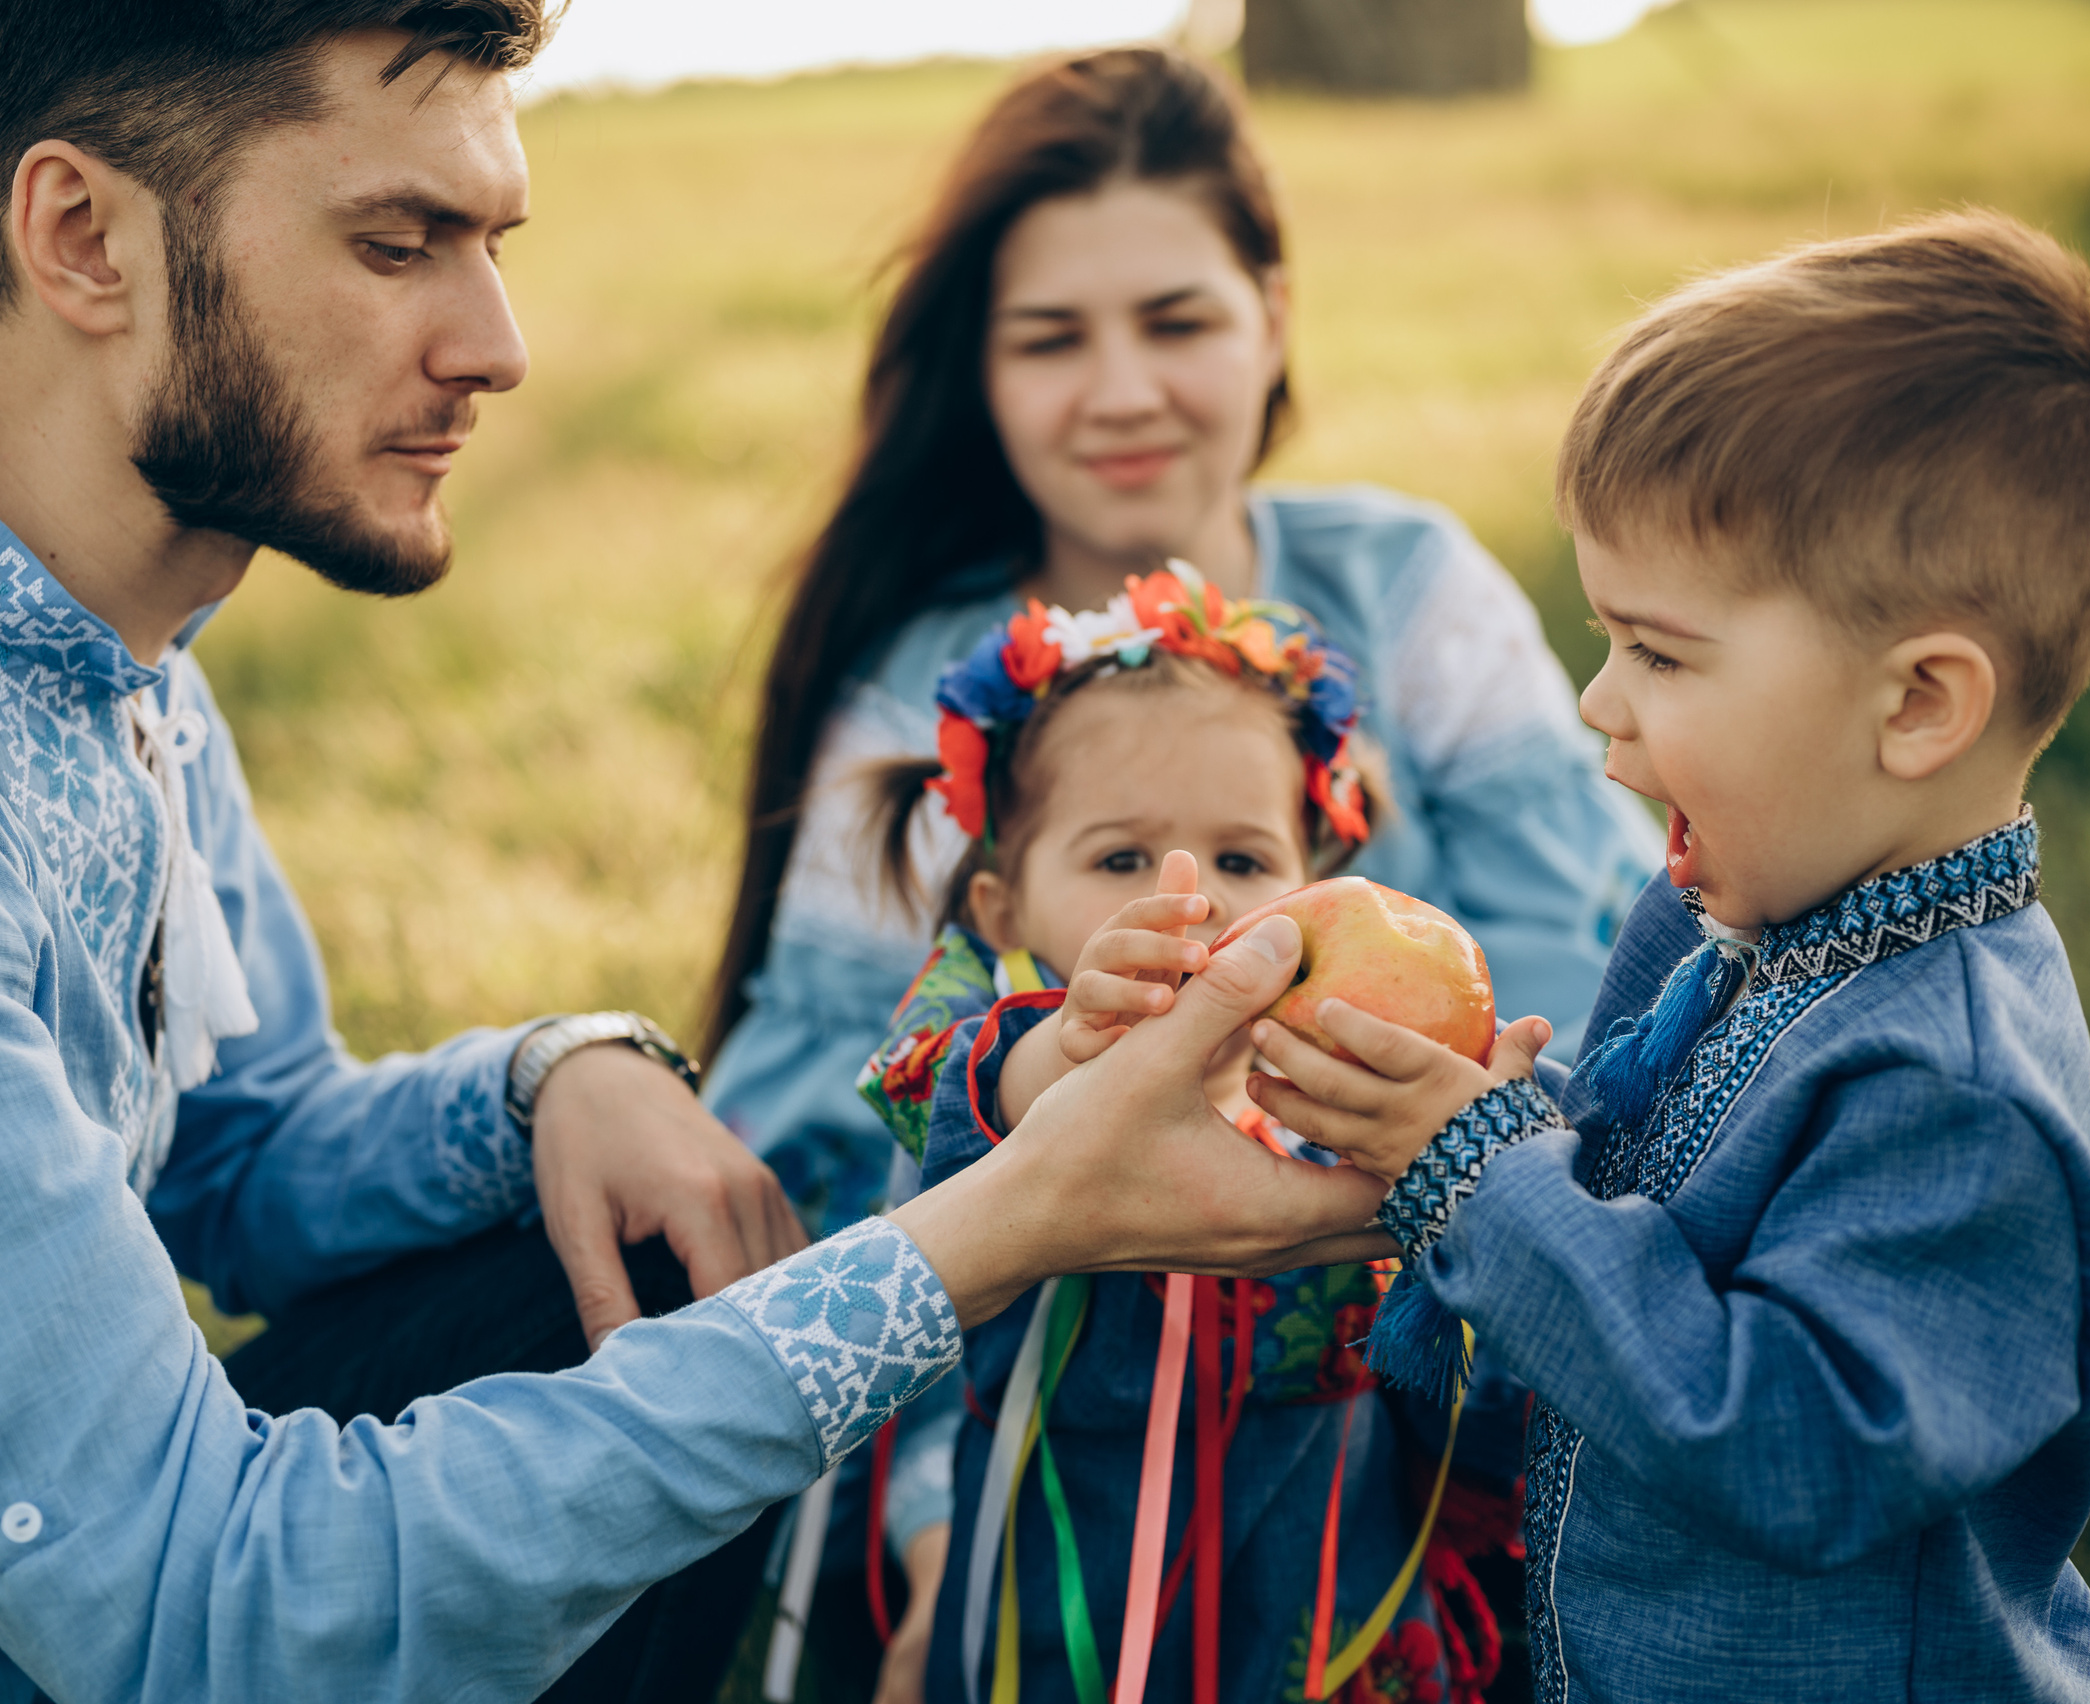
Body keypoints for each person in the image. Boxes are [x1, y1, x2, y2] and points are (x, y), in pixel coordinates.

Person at [0, 4, 1400, 1699]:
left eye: (489, 241)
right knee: (703, 1352)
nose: (495, 342)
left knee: (625, 1260)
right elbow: (198, 1611)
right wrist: (1000, 1220)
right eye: (397, 241)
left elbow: (242, 1145)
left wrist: (550, 1075)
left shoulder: (95, 640)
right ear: (83, 237)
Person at [700, 45, 1655, 1693]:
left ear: (1272, 315)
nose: (1122, 388)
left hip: (1407, 1399)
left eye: (1178, 319)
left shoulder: (1406, 585)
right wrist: (945, 1521)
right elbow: (806, 1127)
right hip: (1031, 1431)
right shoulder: (922, 698)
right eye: (1051, 338)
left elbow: (1607, 959)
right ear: (980, 373)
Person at [1254, 211, 2090, 1701]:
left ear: (1918, 706)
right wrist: (1474, 1132)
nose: (1595, 703)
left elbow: (1787, 1450)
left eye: (1660, 652)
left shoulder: (1951, 1088)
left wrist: (1485, 1177)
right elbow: (1634, 1212)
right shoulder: (1736, 918)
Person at [857, 570, 1526, 1704]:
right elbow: (936, 1098)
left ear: (1313, 884)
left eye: (1245, 860)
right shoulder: (994, 1057)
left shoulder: (1340, 1098)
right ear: (1002, 909)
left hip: (1322, 1613)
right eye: (1122, 861)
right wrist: (1066, 1056)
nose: (1196, 905)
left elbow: (1451, 1348)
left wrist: (1465, 1152)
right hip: (1065, 1613)